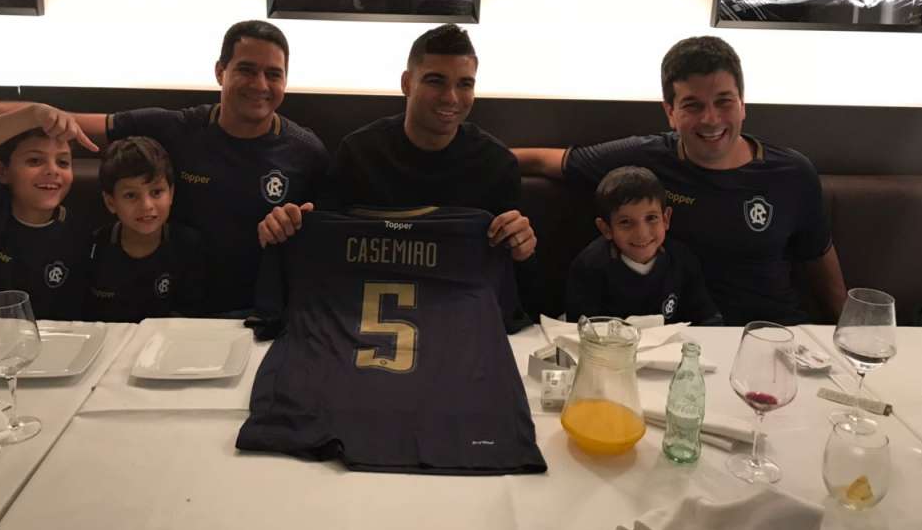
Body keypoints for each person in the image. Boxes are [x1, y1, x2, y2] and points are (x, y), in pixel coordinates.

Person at [0, 20, 329, 314]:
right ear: (221, 71)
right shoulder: (177, 128)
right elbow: (64, 121)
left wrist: (299, 222)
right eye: (246, 70)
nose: (260, 85)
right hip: (179, 309)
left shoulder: (306, 150)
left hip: (268, 309)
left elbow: (330, 231)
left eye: (273, 74)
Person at [515, 36, 846, 325]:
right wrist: (469, 161)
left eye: (723, 102)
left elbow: (820, 260)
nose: (711, 118)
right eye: (692, 105)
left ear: (743, 104)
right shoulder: (644, 158)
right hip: (679, 342)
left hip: (773, 334)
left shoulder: (793, 173)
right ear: (670, 112)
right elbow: (545, 161)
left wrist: (847, 333)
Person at [258, 23, 539, 319]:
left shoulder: (495, 163)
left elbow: (521, 284)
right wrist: (285, 227)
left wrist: (523, 250)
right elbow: (323, 250)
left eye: (464, 84)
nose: (451, 97)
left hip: (460, 321)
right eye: (436, 81)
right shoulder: (359, 152)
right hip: (363, 318)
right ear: (406, 83)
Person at [0, 103, 98, 320]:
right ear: (2, 171)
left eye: (62, 162)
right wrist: (32, 114)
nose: (52, 170)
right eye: (34, 160)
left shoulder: (78, 230)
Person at [567, 166, 720, 325]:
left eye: (651, 218)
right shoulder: (588, 267)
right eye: (625, 222)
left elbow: (706, 317)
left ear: (666, 219)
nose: (642, 233)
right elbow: (581, 331)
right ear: (606, 228)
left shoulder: (682, 260)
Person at [84, 136, 204, 322]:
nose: (146, 205)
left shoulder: (188, 245)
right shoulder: (94, 247)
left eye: (156, 192)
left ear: (171, 194)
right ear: (111, 202)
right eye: (131, 195)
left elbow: (191, 317)